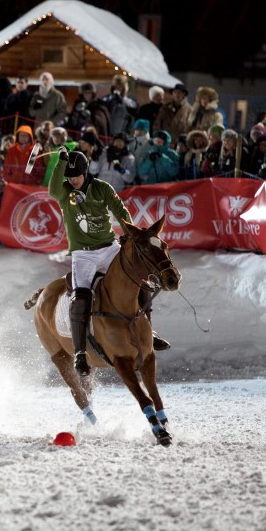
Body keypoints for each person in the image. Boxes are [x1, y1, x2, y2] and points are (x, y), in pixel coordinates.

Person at [47, 149, 167, 377]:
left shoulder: (102, 188)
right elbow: (52, 189)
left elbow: (119, 210)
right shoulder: (65, 192)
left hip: (108, 248)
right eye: (69, 177)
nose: (73, 181)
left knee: (138, 282)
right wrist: (61, 163)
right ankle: (81, 352)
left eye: (76, 176)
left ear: (85, 172)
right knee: (81, 296)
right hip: (83, 254)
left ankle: (148, 331)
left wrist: (129, 233)